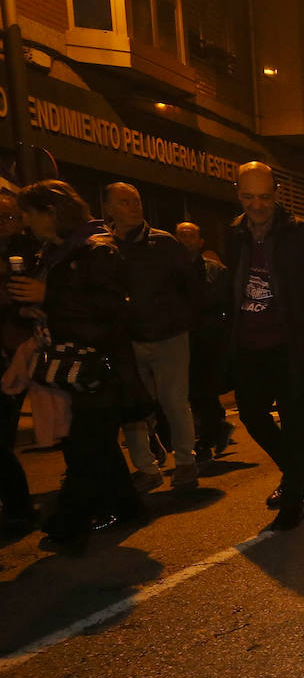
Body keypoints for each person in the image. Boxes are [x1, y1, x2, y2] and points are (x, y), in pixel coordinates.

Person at [9, 180, 149, 553]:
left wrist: (49, 297)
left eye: (30, 214)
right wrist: (35, 307)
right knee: (94, 443)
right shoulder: (57, 252)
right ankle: (128, 506)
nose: (26, 223)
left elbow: (110, 311)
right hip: (78, 366)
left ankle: (67, 526)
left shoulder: (97, 249)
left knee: (85, 446)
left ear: (51, 212)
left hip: (99, 368)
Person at [224, 161, 304, 531]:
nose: (257, 204)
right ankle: (295, 471)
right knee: (251, 414)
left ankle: (293, 496)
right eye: (249, 196)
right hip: (249, 345)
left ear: (277, 193)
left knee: (295, 421)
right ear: (238, 193)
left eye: (264, 196)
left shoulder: (300, 234)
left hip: (290, 345)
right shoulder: (234, 234)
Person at [101, 183, 199, 493]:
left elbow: (191, 287)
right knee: (133, 408)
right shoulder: (104, 247)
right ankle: (146, 467)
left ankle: (185, 462)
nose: (133, 206)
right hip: (128, 340)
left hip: (168, 336)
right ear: (108, 209)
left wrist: (180, 321)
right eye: (124, 202)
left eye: (136, 201)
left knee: (174, 402)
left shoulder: (164, 243)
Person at [0, 192, 41, 535]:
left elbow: (25, 301)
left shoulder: (27, 253)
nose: (3, 225)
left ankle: (19, 509)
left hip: (16, 353)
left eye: (8, 217)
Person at [175, 221, 233, 462]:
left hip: (208, 339)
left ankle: (208, 438)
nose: (185, 240)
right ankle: (214, 428)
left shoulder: (214, 270)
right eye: (181, 236)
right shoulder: (170, 271)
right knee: (188, 391)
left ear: (200, 242)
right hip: (179, 337)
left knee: (204, 388)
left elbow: (227, 304)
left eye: (191, 236)